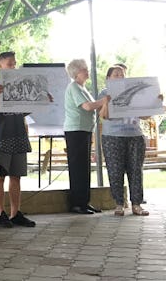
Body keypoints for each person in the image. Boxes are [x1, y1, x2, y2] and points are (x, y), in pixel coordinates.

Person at [0, 51, 36, 228]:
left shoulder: (21, 84)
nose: (13, 67)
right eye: (9, 64)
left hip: (19, 135)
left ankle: (15, 213)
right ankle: (0, 213)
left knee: (16, 176)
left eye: (14, 63)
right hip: (1, 136)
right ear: (0, 65)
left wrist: (41, 100)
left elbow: (24, 110)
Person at [99, 64, 154, 217]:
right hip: (112, 137)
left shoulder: (135, 93)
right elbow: (103, 116)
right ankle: (119, 204)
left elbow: (144, 116)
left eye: (122, 74)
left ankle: (137, 205)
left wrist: (154, 104)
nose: (119, 76)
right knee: (115, 171)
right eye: (116, 74)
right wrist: (106, 101)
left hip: (135, 136)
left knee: (136, 171)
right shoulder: (104, 93)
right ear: (108, 78)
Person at [63, 58, 108, 214]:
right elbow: (88, 106)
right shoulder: (74, 87)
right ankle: (77, 203)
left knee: (84, 167)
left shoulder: (82, 88)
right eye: (84, 69)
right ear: (76, 73)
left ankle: (84, 201)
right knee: (77, 168)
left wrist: (101, 102)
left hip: (83, 130)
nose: (87, 71)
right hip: (75, 131)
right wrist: (104, 100)